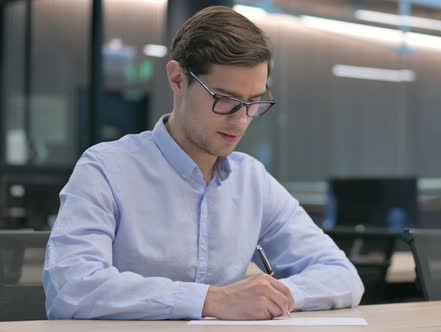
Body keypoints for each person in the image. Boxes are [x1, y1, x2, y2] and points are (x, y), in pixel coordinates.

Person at [43, 6, 364, 320]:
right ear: (178, 79)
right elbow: (71, 289)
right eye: (224, 99)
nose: (240, 121)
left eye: (254, 102)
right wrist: (211, 300)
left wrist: (274, 296)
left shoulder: (252, 181)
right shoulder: (105, 170)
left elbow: (341, 275)